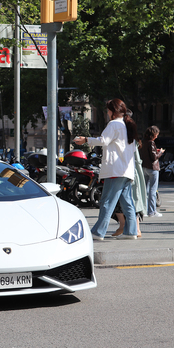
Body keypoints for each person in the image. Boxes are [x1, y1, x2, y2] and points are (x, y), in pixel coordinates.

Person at [74, 98, 138, 241]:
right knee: (127, 202)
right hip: (127, 171)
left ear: (112, 111)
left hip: (115, 170)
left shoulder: (114, 124)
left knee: (107, 201)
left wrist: (85, 139)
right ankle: (131, 231)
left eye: (108, 109)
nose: (107, 112)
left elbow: (103, 141)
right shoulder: (127, 126)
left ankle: (98, 232)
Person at [113, 143, 147, 237]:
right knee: (131, 202)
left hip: (129, 174)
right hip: (131, 174)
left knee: (130, 202)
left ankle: (130, 228)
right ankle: (131, 228)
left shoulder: (128, 141)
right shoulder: (131, 141)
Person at [140, 126, 164, 217]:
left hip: (144, 167)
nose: (157, 137)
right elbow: (154, 157)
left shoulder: (143, 142)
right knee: (152, 191)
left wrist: (156, 151)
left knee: (144, 190)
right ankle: (152, 211)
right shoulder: (151, 143)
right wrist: (160, 152)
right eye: (156, 135)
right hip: (153, 168)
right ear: (153, 135)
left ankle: (144, 210)